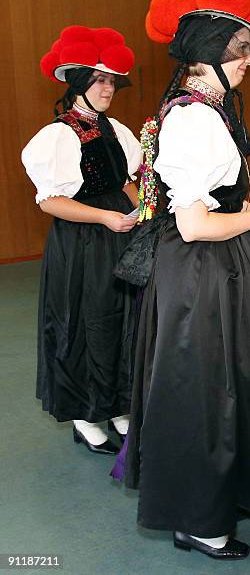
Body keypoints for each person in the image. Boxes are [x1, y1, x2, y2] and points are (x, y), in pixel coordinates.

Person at [121, 0, 250, 560]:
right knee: (206, 390)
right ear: (209, 50)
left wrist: (238, 207)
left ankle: (212, 499)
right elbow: (193, 224)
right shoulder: (196, 117)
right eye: (240, 50)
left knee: (220, 384)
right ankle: (200, 520)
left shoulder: (204, 110)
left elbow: (200, 201)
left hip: (214, 265)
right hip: (204, 270)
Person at [22, 25, 141, 455]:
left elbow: (127, 183)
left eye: (112, 81)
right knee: (87, 323)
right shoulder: (57, 136)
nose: (109, 88)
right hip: (82, 243)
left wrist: (145, 210)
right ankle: (87, 416)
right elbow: (51, 201)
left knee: (122, 320)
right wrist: (104, 217)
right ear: (78, 84)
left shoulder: (118, 131)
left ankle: (120, 406)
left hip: (120, 236)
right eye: (100, 80)